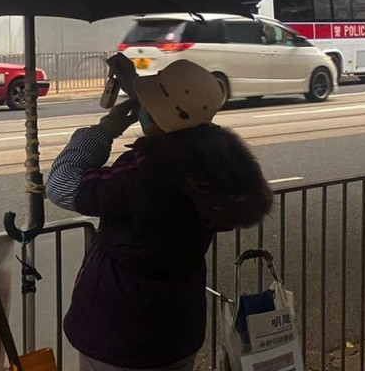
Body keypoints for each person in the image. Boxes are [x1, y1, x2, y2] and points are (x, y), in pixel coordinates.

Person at [46, 60, 273, 371]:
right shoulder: (220, 162)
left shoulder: (147, 171)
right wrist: (138, 89)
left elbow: (62, 185)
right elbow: (177, 116)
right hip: (179, 328)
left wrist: (102, 132)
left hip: (119, 330)